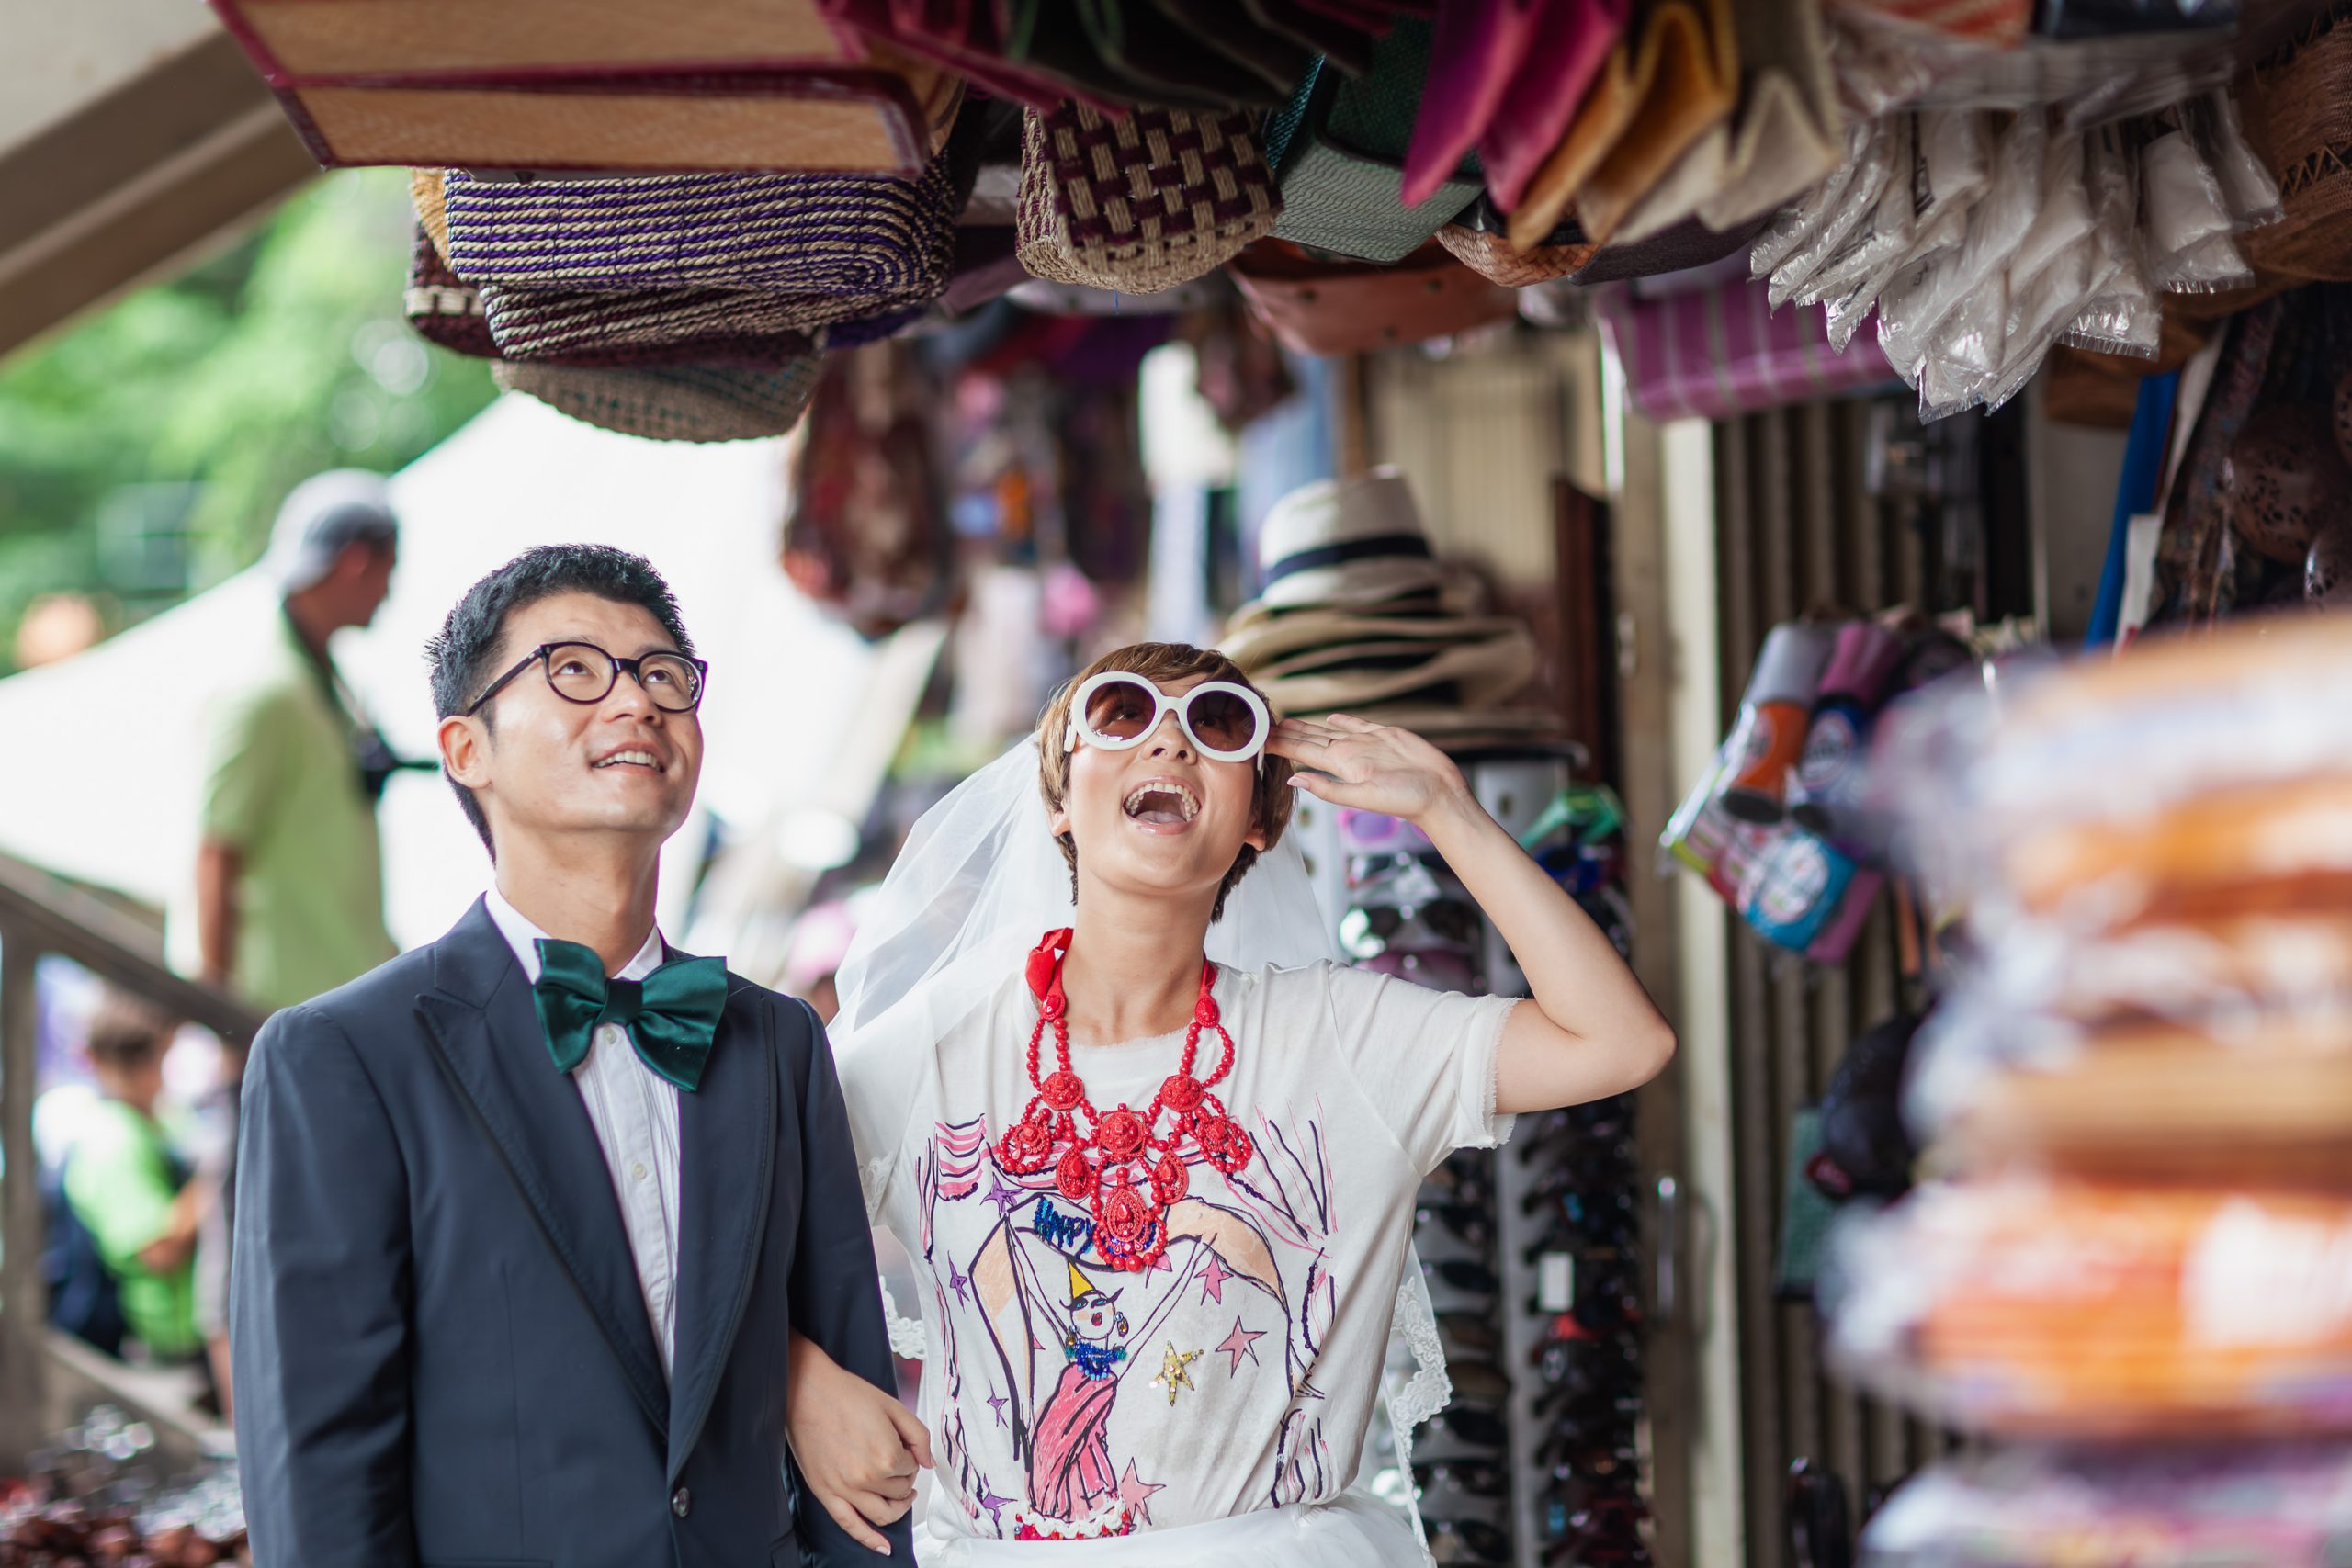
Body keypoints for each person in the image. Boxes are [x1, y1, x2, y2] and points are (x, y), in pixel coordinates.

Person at [785, 642, 1677, 1563]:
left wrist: (1446, 810)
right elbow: (724, 1240)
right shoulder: (936, 1047)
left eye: (1217, 724)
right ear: (1056, 797)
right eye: (1122, 713)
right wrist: (797, 1384)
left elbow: (1619, 1042)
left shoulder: (1338, 1038)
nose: (1168, 744)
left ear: (1259, 820)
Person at [230, 545, 910, 1568]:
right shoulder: (341, 1058)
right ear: (467, 749)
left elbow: (856, 1449)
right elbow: (321, 1468)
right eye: (575, 671)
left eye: (661, 675)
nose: (635, 702)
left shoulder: (776, 1041)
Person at [183, 469, 403, 1013]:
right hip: (278, 1018)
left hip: (332, 1001)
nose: (391, 590)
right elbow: (215, 855)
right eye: (389, 569)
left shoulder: (320, 684)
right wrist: (220, 1019)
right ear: (357, 562)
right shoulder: (265, 692)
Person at [61, 993, 206, 1371]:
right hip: (164, 1348)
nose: (150, 1072)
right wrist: (217, 1180)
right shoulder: (111, 1140)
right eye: (136, 1058)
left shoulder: (160, 1118)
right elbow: (158, 1250)